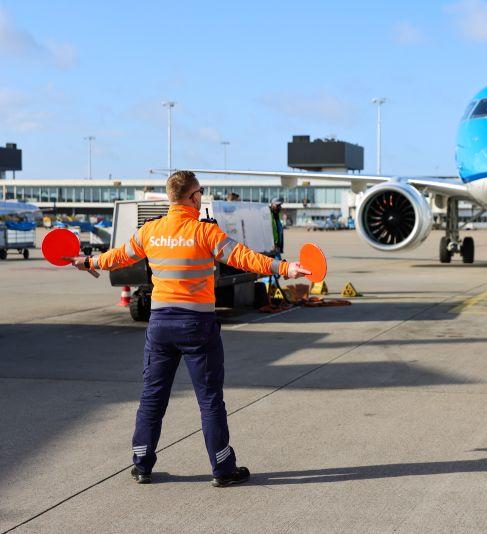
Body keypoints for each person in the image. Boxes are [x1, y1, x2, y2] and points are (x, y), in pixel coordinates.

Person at [65, 171, 309, 487]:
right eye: (201, 192)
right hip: (197, 326)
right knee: (209, 400)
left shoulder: (150, 231)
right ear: (193, 196)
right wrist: (285, 268)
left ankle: (141, 464)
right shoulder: (204, 232)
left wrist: (88, 263)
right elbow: (245, 258)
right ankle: (222, 469)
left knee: (152, 397)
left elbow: (117, 257)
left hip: (160, 326)